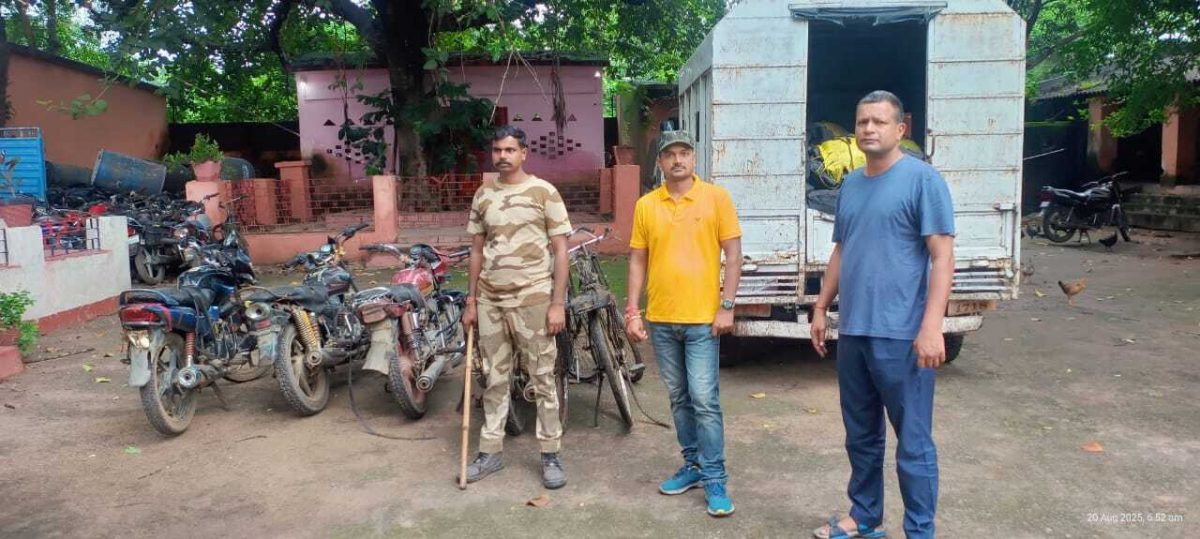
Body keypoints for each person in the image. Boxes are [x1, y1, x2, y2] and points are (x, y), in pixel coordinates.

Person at [810, 91, 955, 539]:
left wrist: (932, 327)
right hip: (855, 330)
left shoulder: (922, 180)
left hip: (902, 334)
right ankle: (865, 515)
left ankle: (920, 530)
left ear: (900, 129)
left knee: (913, 441)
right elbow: (842, 250)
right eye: (862, 121)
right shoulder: (851, 185)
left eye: (879, 121)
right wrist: (821, 307)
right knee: (860, 435)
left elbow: (942, 256)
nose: (869, 128)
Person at [625, 130, 743, 517]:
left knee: (704, 401)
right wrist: (632, 310)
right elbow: (638, 259)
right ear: (660, 162)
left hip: (702, 321)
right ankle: (692, 465)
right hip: (661, 319)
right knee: (678, 398)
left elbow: (734, 254)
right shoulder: (646, 205)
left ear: (694, 158)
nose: (678, 160)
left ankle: (715, 478)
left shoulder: (715, 198)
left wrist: (727, 306)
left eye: (684, 153)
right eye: (670, 154)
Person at [460, 125, 572, 489]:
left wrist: (557, 303)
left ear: (524, 153)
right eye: (497, 150)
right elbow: (477, 251)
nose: (503, 156)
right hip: (491, 301)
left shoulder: (544, 192)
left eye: (510, 150)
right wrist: (471, 301)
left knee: (543, 379)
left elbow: (561, 251)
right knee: (494, 379)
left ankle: (550, 454)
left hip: (534, 300)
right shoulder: (483, 195)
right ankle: (490, 452)